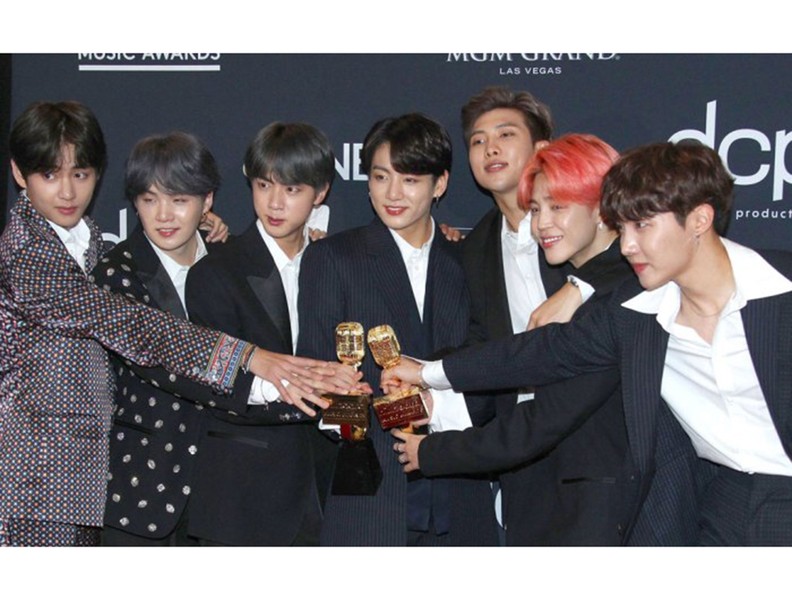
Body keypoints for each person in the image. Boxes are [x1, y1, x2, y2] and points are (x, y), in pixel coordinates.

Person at [388, 141, 792, 546]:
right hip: (721, 502)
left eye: (642, 225)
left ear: (700, 219)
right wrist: (426, 372)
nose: (628, 245)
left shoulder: (781, 290)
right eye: (624, 227)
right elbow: (539, 353)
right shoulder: (634, 313)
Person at [0, 101, 347, 547]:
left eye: (81, 174)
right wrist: (249, 357)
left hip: (148, 484)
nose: (67, 192)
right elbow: (133, 327)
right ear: (18, 173)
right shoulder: (28, 257)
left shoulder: (86, 240)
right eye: (49, 175)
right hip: (39, 480)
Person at [390, 134, 640, 545]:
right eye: (536, 209)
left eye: (558, 207)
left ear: (601, 208)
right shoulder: (576, 284)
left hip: (602, 515)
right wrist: (428, 380)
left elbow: (543, 412)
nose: (541, 224)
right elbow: (513, 358)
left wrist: (432, 451)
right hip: (539, 500)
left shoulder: (624, 290)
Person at [96, 132, 330, 545]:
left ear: (207, 202)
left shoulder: (228, 256)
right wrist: (260, 363)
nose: (164, 215)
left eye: (179, 200)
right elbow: (163, 358)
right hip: (148, 483)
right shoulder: (117, 273)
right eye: (149, 200)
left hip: (225, 486)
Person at [298, 113, 499, 546]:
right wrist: (377, 410)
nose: (392, 193)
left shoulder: (469, 262)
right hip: (371, 496)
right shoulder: (333, 259)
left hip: (461, 493)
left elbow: (491, 374)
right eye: (380, 177)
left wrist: (431, 407)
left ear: (439, 184)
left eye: (409, 180)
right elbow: (317, 385)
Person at [184, 122, 349, 545]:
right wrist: (308, 389)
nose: (274, 203)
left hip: (332, 495)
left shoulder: (339, 266)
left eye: (292, 189)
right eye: (263, 185)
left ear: (321, 192)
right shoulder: (216, 272)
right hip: (244, 499)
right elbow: (215, 383)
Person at [455, 86, 587, 536]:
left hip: (601, 440)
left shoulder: (582, 217)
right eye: (478, 140)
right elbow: (483, 351)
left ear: (542, 148)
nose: (489, 148)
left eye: (505, 134)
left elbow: (633, 267)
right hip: (523, 450)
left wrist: (580, 286)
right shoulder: (473, 250)